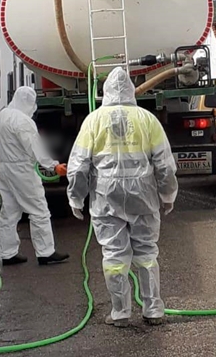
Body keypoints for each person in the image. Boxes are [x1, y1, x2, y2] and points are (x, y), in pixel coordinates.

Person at [67, 67, 178, 328]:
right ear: (131, 90)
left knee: (114, 255)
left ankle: (120, 313)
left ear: (105, 91)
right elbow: (164, 164)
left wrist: (76, 197)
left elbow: (79, 166)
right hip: (143, 194)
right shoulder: (147, 119)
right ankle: (153, 310)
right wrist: (167, 194)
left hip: (106, 196)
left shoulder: (93, 121)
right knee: (147, 252)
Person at [0, 86, 70, 266]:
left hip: (4, 168)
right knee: (39, 210)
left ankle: (8, 253)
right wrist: (54, 166)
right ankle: (46, 252)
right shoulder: (23, 121)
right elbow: (35, 148)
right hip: (21, 170)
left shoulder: (2, 115)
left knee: (9, 212)